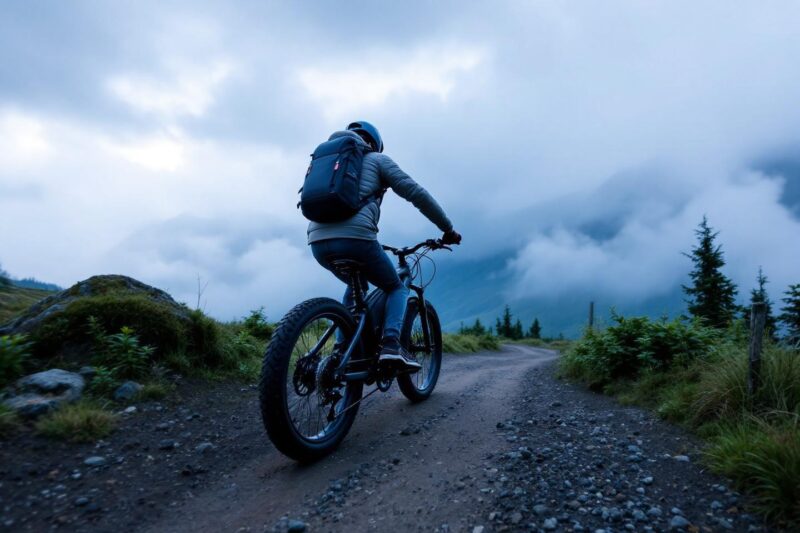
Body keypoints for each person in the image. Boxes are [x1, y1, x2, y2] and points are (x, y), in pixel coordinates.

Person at [308, 121, 461, 371]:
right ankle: (391, 345)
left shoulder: (327, 161)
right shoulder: (377, 160)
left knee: (354, 285)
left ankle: (341, 349)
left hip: (317, 241)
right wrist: (447, 229)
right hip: (356, 239)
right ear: (374, 143)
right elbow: (416, 193)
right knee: (396, 287)